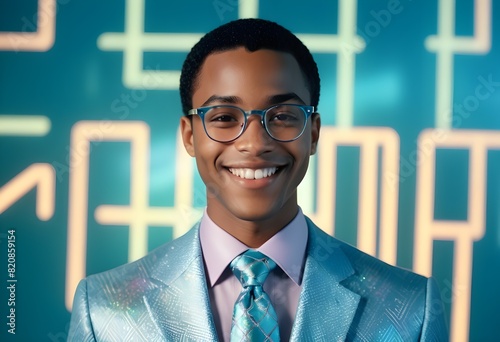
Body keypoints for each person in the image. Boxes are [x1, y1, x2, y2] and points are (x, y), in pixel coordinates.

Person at [68, 18, 448, 341]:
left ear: (313, 133)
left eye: (282, 115)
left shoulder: (411, 307)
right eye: (223, 117)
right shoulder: (104, 310)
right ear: (188, 135)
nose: (254, 143)